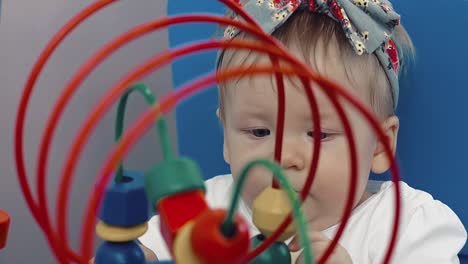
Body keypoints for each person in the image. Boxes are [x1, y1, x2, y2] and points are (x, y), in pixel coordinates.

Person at [138, 0, 467, 263]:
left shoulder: (407, 227)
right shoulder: (208, 210)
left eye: (320, 135)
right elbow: (144, 249)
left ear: (380, 145)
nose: (283, 158)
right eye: (259, 131)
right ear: (226, 136)